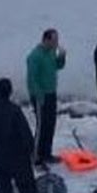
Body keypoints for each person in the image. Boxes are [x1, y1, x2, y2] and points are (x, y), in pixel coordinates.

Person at [25, 28, 66, 166]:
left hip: (51, 94)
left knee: (50, 125)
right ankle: (36, 156)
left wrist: (62, 57)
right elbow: (32, 79)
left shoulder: (50, 53)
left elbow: (58, 66)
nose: (56, 43)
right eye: (54, 40)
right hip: (40, 96)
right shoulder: (35, 56)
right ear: (46, 40)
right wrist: (38, 96)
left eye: (57, 40)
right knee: (41, 126)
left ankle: (46, 153)